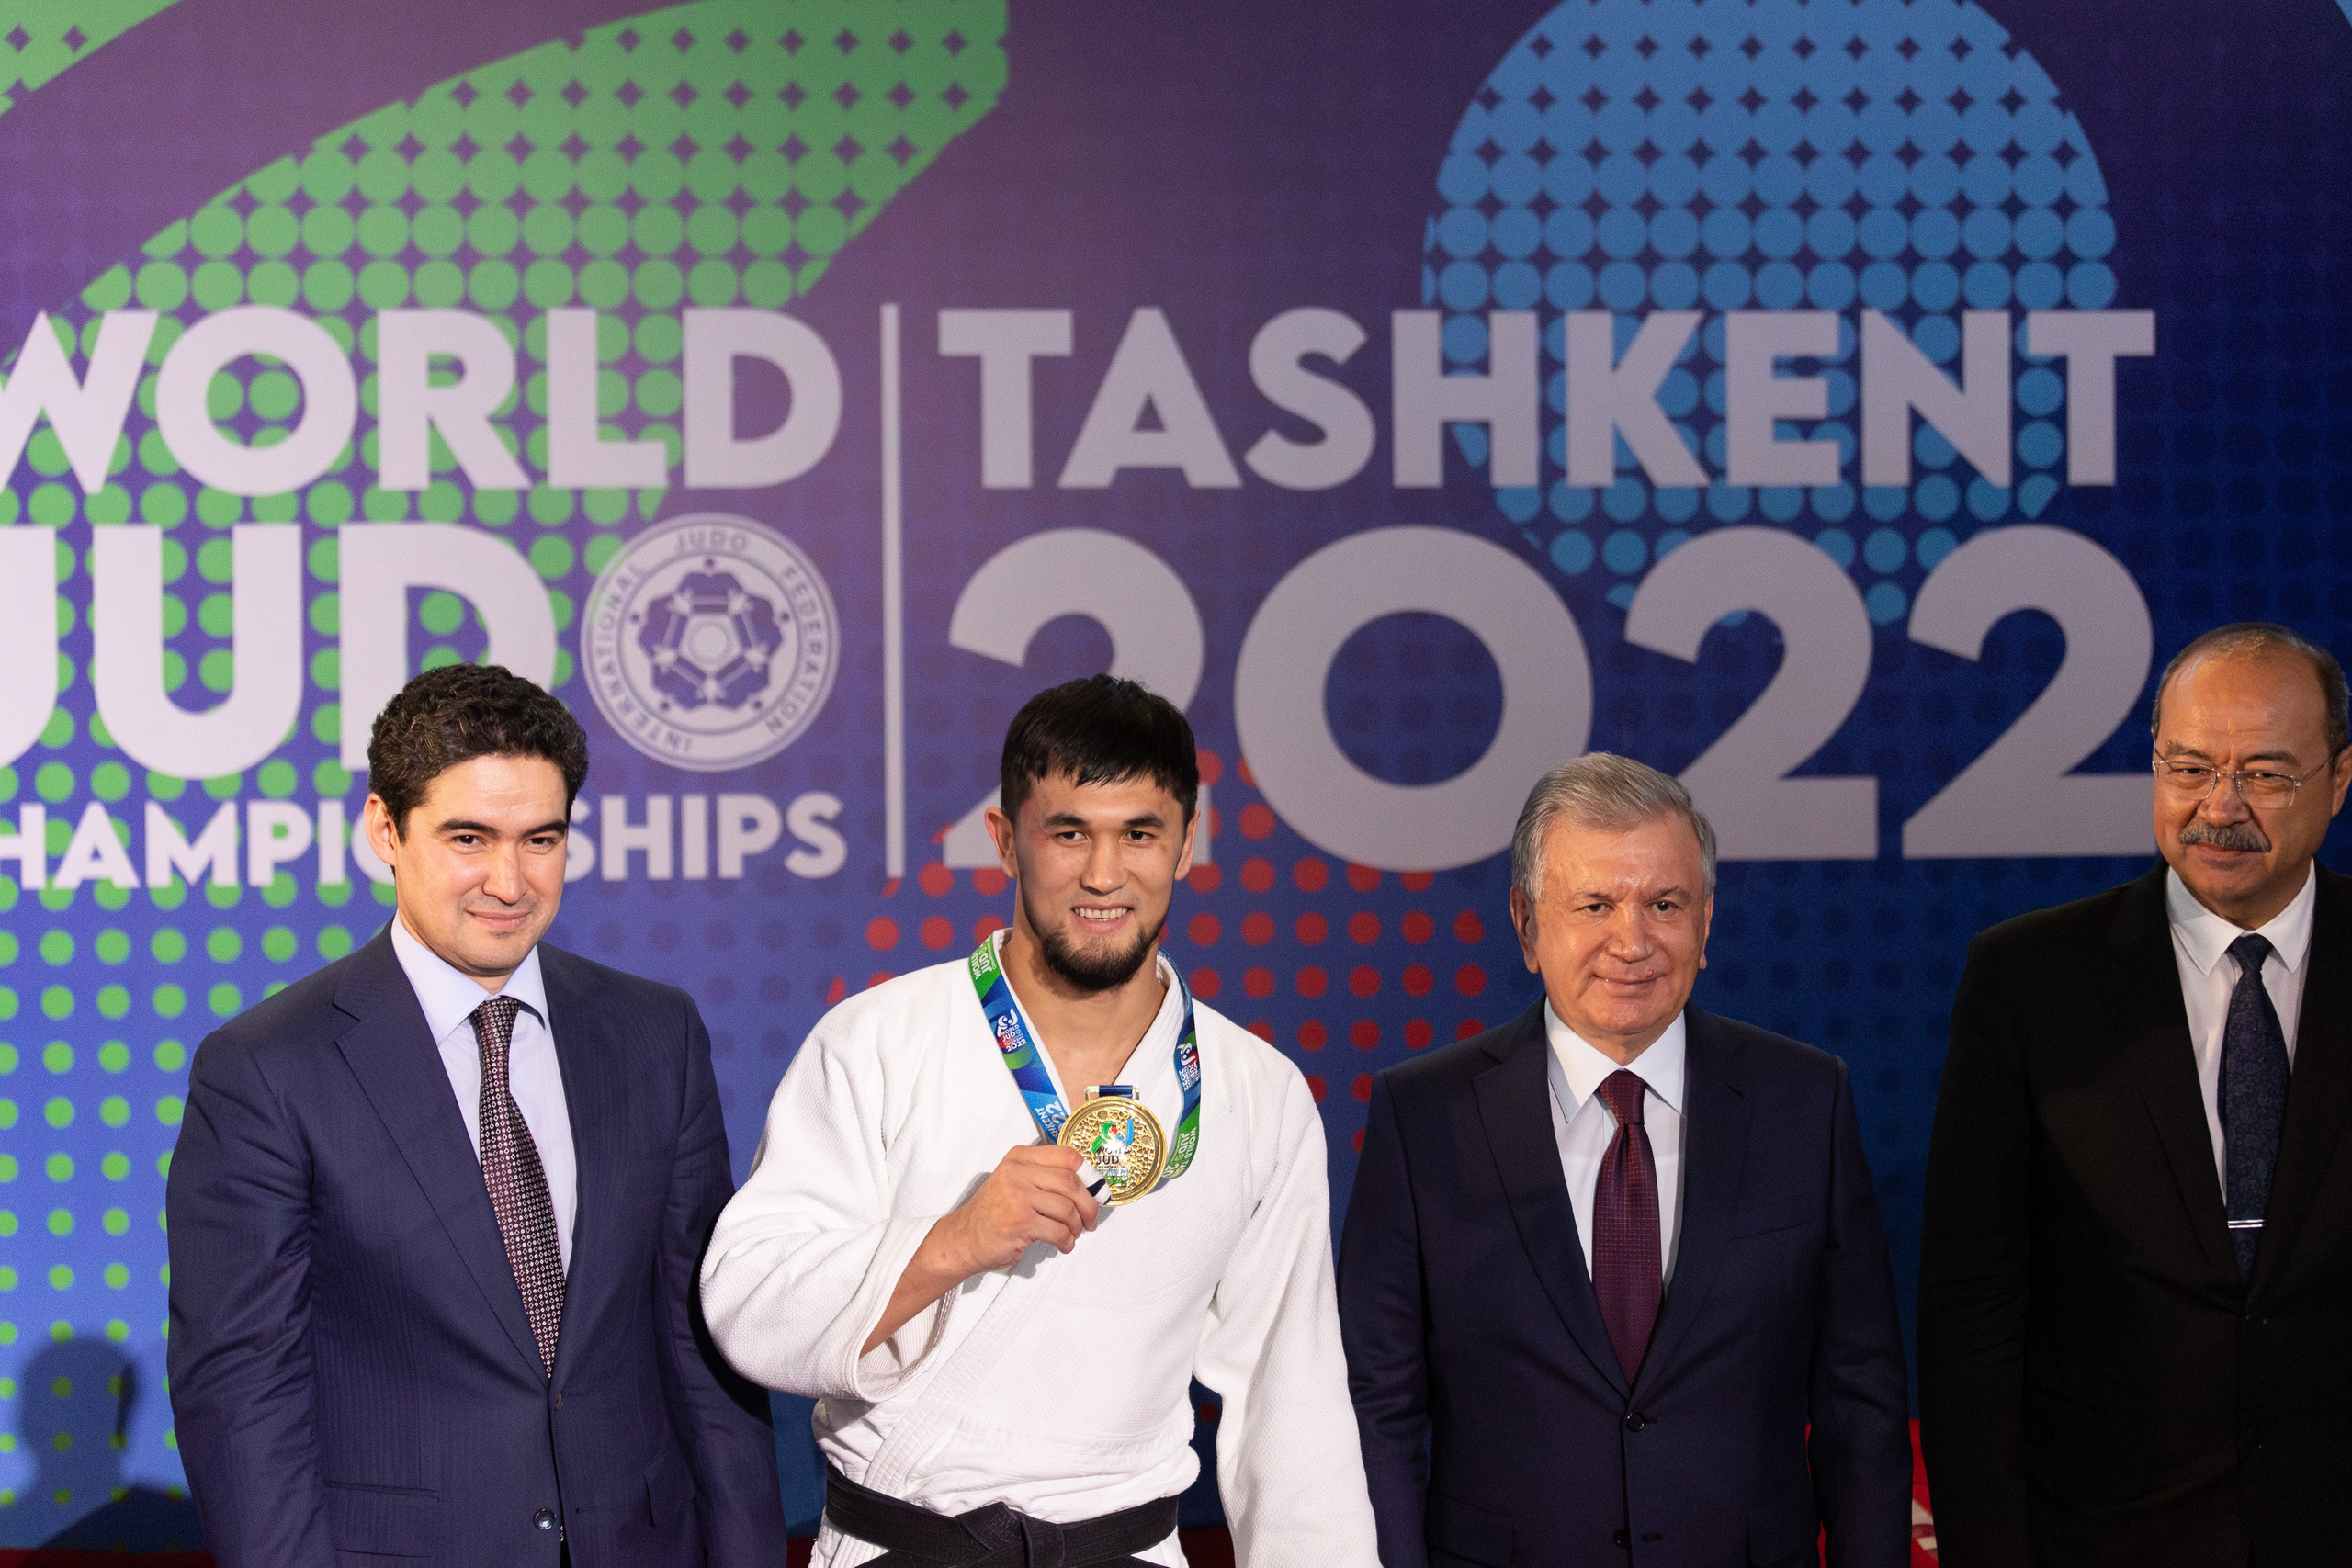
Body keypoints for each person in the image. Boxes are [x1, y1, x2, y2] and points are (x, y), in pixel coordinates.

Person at [700, 675, 1376, 1568]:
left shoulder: (1254, 1090)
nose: (1104, 875)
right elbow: (751, 1305)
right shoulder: (876, 1041)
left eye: (1139, 833)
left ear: (1184, 844)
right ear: (1005, 841)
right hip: (901, 1548)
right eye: (1069, 833)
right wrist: (954, 1239)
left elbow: (1292, 1400)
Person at [166, 664, 785, 1568]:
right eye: (469, 837)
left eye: (541, 839)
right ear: (385, 828)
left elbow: (700, 1345)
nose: (509, 880)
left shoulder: (656, 1033)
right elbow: (242, 1393)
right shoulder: (265, 1068)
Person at [1340, 753, 1911, 1568]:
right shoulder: (1425, 1117)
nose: (1632, 939)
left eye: (1665, 903)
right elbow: (1378, 1412)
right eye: (1595, 904)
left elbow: (1864, 1403)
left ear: (1706, 922)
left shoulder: (1806, 1101)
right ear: (1528, 924)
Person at [1918, 622, 2352, 1568]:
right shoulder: (2027, 981)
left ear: (2340, 778)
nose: (2219, 807)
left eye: (2265, 773)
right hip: (2106, 1539)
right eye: (2187, 767)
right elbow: (1971, 1309)